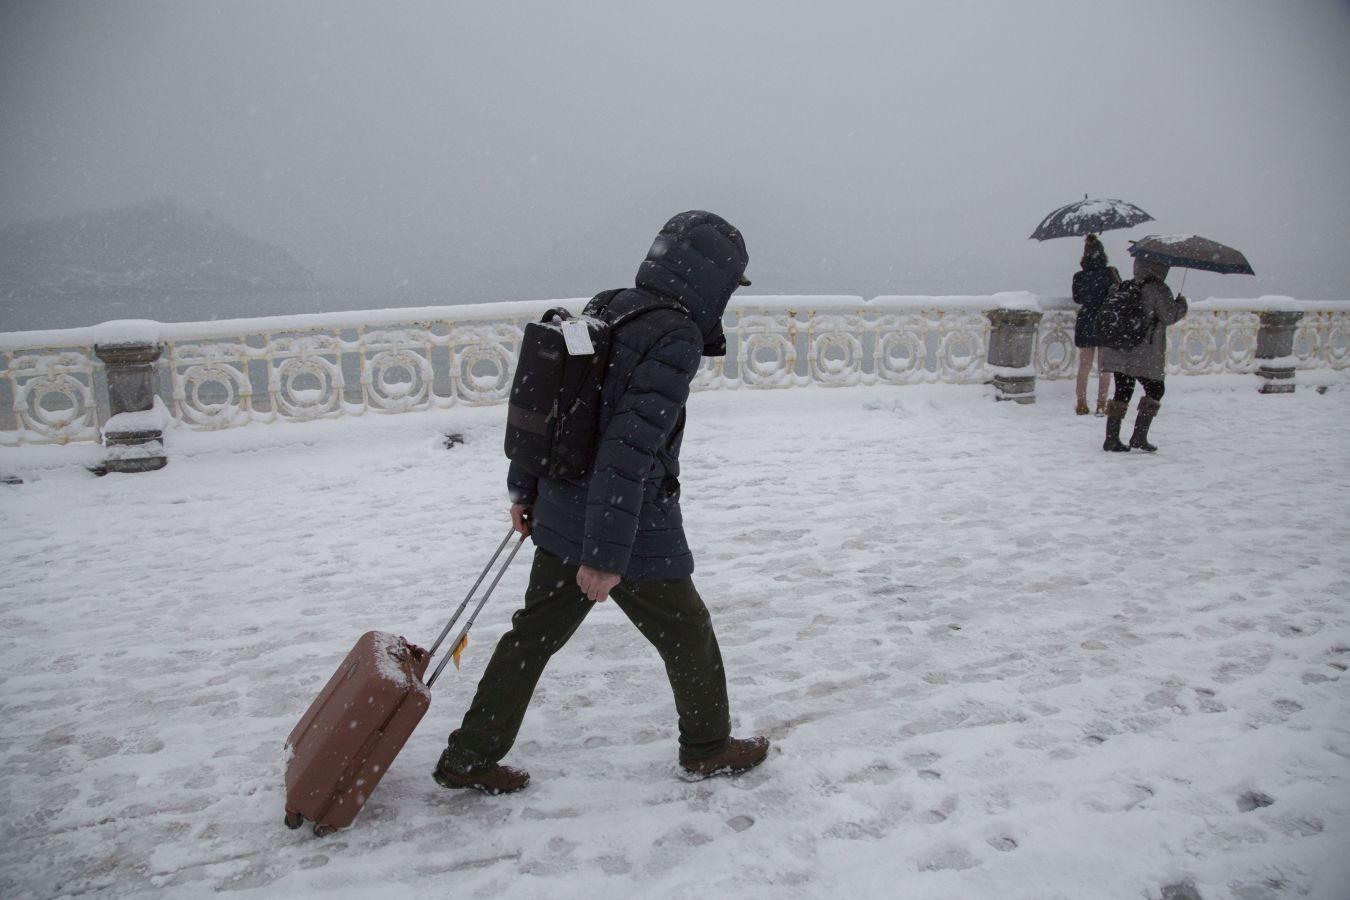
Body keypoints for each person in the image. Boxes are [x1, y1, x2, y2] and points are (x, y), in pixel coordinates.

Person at [433, 211, 770, 794]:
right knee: (688, 633)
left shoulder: (611, 303)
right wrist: (606, 556)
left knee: (531, 636)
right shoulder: (675, 335)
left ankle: (469, 755)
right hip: (627, 521)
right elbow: (629, 448)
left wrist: (527, 487)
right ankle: (708, 748)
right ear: (713, 278)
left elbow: (549, 405)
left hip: (565, 507)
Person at [1099, 256, 1188, 453]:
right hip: (1143, 352)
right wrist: (1182, 305)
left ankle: (1111, 438)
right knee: (1156, 389)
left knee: (1123, 389)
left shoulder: (1123, 286)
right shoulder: (1158, 289)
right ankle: (1139, 436)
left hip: (1119, 348)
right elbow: (1168, 316)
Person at [1071, 234, 1120, 416]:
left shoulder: (1079, 276)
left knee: (1084, 366)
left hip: (1086, 320)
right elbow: (1118, 293)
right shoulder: (1110, 273)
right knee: (1104, 367)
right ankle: (1101, 404)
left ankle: (1081, 402)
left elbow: (1077, 298)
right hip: (1105, 320)